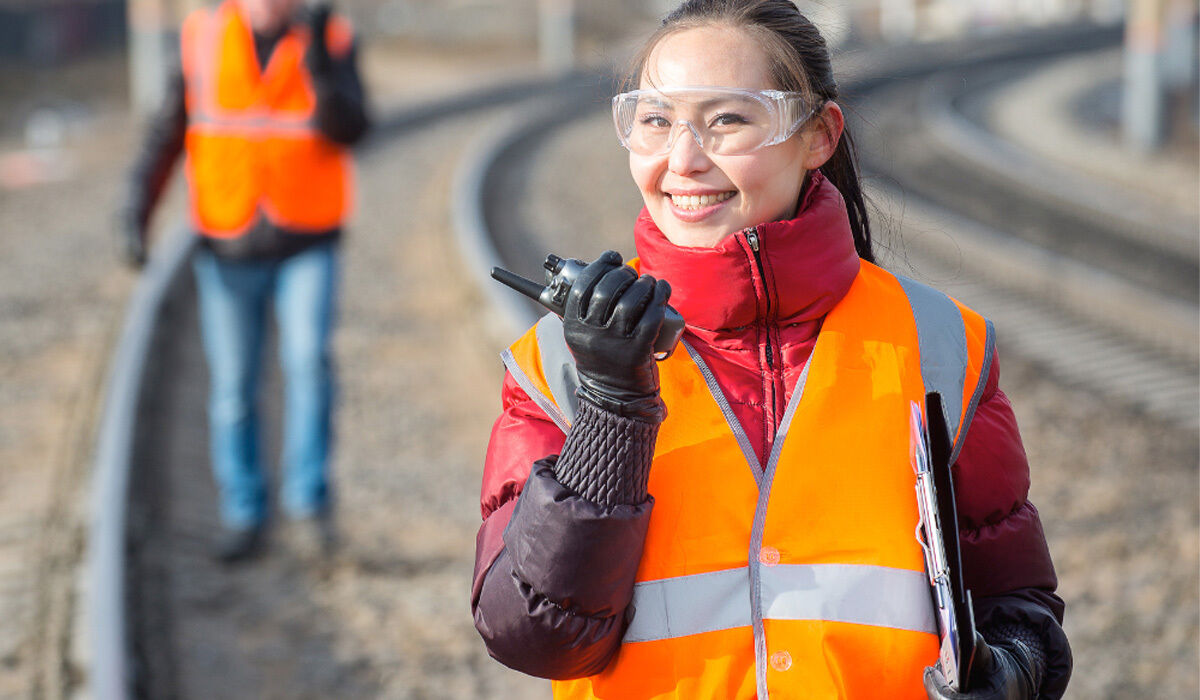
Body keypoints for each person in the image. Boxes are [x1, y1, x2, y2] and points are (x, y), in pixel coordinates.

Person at [471, 1, 1071, 698]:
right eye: (656, 120)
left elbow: (1014, 608)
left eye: (727, 119)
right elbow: (533, 636)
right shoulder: (557, 364)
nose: (684, 159)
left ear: (818, 134)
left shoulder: (943, 345)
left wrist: (1014, 670)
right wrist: (612, 410)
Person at [119, 0, 369, 562]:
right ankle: (245, 512)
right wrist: (136, 208)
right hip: (228, 242)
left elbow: (352, 129)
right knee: (233, 387)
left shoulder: (329, 36)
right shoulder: (202, 37)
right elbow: (167, 131)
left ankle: (309, 506)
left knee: (308, 363)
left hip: (308, 238)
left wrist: (321, 67)